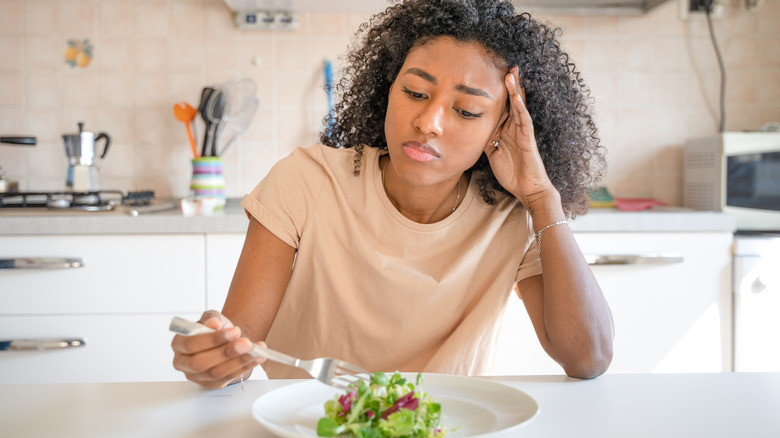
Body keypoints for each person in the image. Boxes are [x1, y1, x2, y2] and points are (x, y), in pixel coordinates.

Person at [172, 0, 614, 389]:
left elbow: (587, 357)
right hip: (307, 422)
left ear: (500, 128)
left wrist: (541, 196)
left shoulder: (511, 214)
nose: (428, 122)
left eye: (466, 110)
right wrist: (217, 353)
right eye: (415, 92)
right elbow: (240, 345)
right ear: (388, 89)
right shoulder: (305, 181)